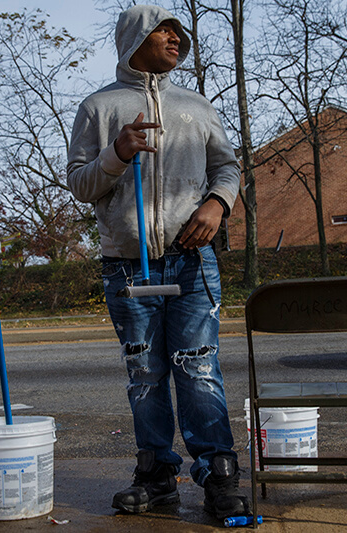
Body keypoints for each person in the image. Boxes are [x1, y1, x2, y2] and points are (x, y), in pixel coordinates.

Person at [67, 4, 249, 521]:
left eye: (178, 32)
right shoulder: (99, 108)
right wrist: (116, 153)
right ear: (135, 39)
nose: (175, 38)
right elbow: (80, 184)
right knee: (145, 374)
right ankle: (156, 476)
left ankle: (219, 474)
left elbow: (227, 167)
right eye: (163, 30)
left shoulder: (197, 107)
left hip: (192, 264)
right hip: (127, 266)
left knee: (198, 371)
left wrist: (218, 203)